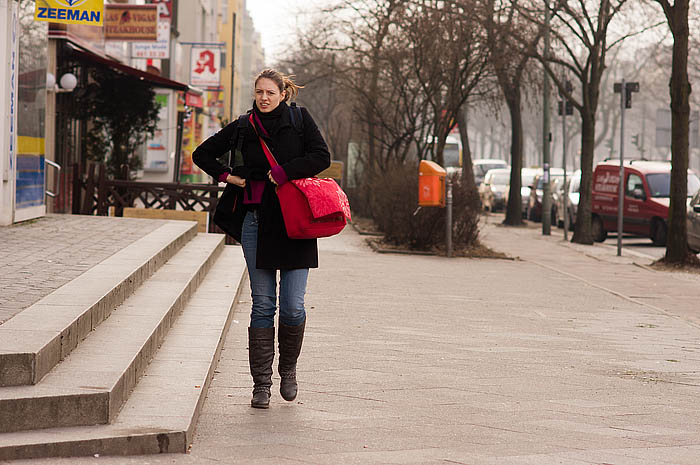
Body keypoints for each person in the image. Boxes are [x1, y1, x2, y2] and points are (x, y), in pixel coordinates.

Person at [193, 69, 330, 409]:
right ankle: (261, 385)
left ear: (284, 93)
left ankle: (289, 369)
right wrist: (229, 177)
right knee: (263, 304)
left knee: (294, 305)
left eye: (270, 92)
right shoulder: (243, 125)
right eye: (259, 92)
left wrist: (284, 171)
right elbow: (202, 154)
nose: (264, 98)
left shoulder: (299, 120)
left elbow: (321, 157)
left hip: (296, 225)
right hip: (256, 222)